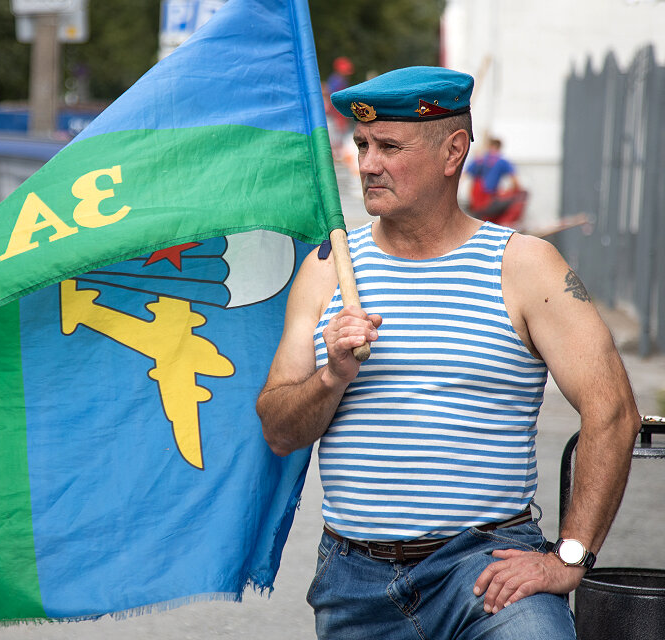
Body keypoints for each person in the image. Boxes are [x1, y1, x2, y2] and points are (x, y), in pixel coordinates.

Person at [256, 66, 641, 639]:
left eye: (388, 146)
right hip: (354, 583)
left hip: (486, 571)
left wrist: (570, 557)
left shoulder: (524, 266)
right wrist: (331, 376)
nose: (366, 164)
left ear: (452, 151)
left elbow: (612, 412)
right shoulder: (327, 269)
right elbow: (280, 430)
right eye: (362, 145)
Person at [465, 137, 526, 226]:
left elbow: (464, 177)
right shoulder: (502, 161)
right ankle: (505, 224)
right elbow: (516, 183)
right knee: (521, 196)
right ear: (499, 147)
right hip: (489, 203)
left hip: (475, 205)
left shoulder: (478, 160)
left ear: (489, 146)